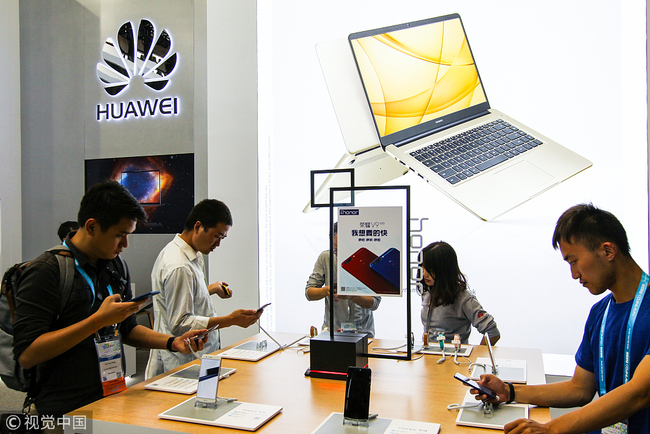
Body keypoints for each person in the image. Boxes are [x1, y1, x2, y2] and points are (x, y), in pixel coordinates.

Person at [13, 181, 206, 417]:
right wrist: (98, 321)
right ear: (92, 226)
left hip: (112, 396)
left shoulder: (116, 266)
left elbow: (127, 329)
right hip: (63, 409)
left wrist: (172, 342)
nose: (125, 244)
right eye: (120, 235)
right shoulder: (46, 271)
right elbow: (27, 355)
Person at [476, 204, 650, 433]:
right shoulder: (600, 313)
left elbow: (639, 393)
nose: (574, 274)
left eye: (574, 261)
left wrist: (550, 429)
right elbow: (579, 389)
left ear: (608, 251)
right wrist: (509, 392)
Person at [145, 199, 262, 379]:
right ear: (198, 226)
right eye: (216, 236)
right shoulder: (179, 266)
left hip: (196, 354)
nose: (218, 244)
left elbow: (182, 296)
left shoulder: (192, 254)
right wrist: (230, 320)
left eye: (222, 238)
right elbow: (180, 323)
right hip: (184, 358)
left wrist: (212, 288)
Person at [305, 223, 381, 337]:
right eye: (336, 249)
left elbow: (374, 303)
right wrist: (326, 291)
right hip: (333, 331)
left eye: (345, 249)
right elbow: (309, 293)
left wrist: (352, 295)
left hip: (363, 333)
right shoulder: (326, 257)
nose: (340, 254)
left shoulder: (368, 261)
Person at [420, 241, 500, 345]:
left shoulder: (465, 299)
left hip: (454, 359)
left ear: (444, 270)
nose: (424, 273)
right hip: (429, 357)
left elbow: (492, 332)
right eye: (423, 267)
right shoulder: (427, 293)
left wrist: (476, 356)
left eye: (430, 269)